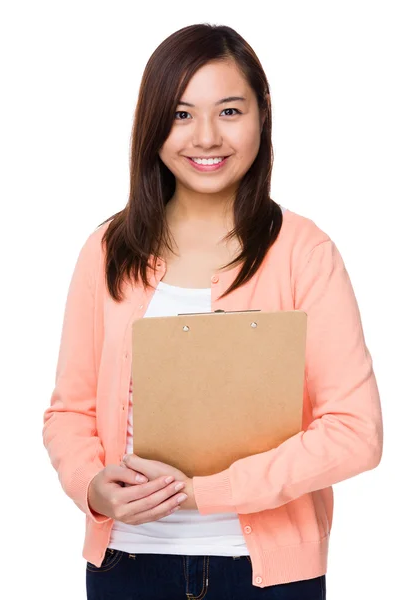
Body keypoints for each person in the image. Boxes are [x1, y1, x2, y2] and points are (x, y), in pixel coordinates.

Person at [42, 23, 383, 600]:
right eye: (180, 115)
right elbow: (68, 413)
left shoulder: (304, 251)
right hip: (128, 565)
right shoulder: (107, 250)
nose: (205, 137)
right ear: (151, 124)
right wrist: (91, 486)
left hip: (266, 575)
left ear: (262, 112)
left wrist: (204, 492)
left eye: (229, 111)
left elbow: (356, 432)